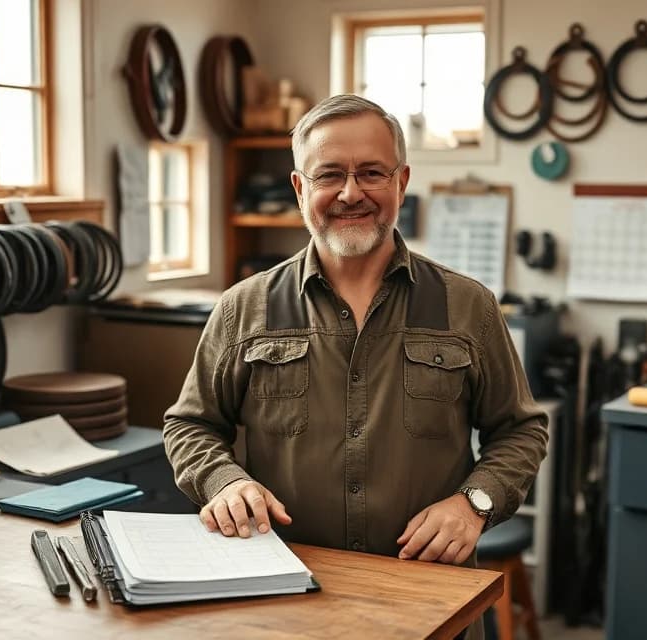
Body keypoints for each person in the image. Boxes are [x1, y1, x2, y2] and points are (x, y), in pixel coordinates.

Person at [162, 94, 547, 571]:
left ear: (401, 182)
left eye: (371, 172)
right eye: (329, 175)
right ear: (299, 188)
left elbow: (520, 431)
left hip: (427, 584)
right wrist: (223, 481)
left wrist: (474, 504)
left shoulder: (469, 306)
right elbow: (191, 424)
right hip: (285, 578)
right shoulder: (244, 308)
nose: (350, 193)